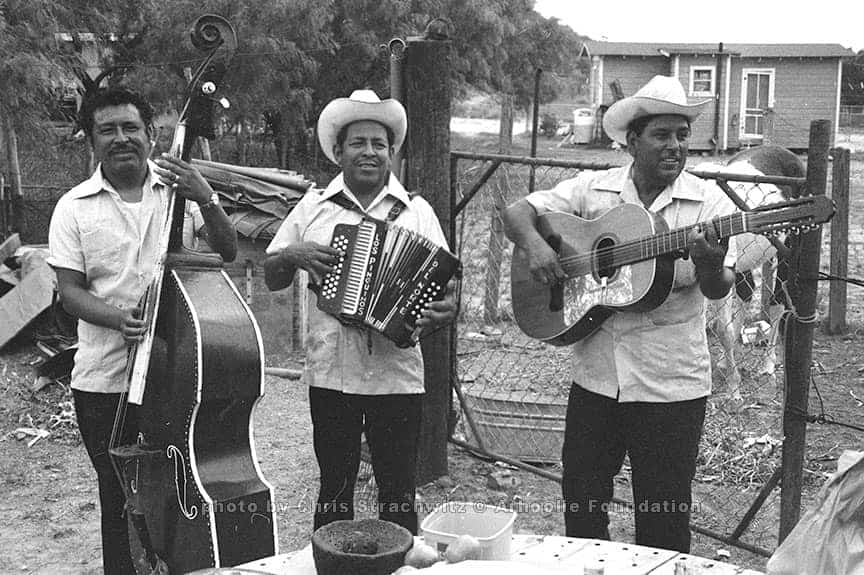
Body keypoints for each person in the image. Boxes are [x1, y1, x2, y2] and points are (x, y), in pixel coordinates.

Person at [502, 75, 737, 553]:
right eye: (662, 135)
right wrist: (535, 247)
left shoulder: (708, 204)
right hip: (596, 378)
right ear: (632, 140)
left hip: (670, 384)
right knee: (582, 504)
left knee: (664, 516)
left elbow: (717, 288)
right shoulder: (594, 190)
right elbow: (516, 212)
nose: (675, 146)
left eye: (682, 136)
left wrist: (711, 263)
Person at [47, 86, 237, 574]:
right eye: (107, 130)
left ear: (152, 135)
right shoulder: (73, 207)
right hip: (104, 379)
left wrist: (207, 197)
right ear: (91, 140)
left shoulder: (178, 192)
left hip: (176, 377)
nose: (121, 138)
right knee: (120, 500)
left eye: (131, 128)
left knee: (180, 490)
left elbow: (228, 250)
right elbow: (69, 291)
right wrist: (119, 318)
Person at [263, 89, 458, 534]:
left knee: (398, 491)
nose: (369, 152)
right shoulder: (313, 208)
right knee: (334, 487)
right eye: (358, 143)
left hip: (397, 374)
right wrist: (292, 254)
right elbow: (273, 277)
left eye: (379, 144)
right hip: (332, 371)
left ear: (391, 153)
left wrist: (442, 312)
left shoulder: (417, 211)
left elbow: (445, 292)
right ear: (339, 151)